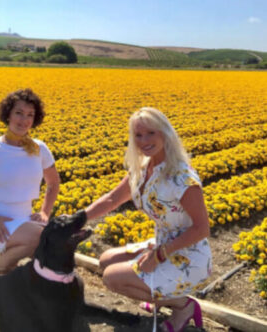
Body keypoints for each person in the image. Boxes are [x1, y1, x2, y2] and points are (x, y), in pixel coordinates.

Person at [81, 107, 212, 332]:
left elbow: (202, 229)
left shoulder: (181, 177)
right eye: (138, 135)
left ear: (165, 133)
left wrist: (159, 255)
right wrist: (78, 218)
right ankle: (162, 295)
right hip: (161, 243)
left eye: (151, 133)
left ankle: (183, 306)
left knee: (113, 278)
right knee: (105, 261)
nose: (144, 140)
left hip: (188, 255)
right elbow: (113, 199)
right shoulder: (142, 168)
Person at [0, 88, 60, 276]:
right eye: (19, 113)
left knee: (51, 252)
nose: (24, 120)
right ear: (8, 114)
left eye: (29, 115)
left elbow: (53, 183)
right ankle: (0, 269)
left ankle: (16, 279)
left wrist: (44, 212)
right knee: (38, 238)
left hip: (24, 220)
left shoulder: (39, 148)